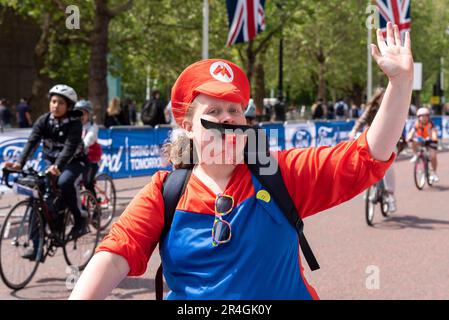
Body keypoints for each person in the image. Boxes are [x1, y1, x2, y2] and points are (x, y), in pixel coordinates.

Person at [70, 23, 413, 300]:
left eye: (235, 110)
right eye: (215, 111)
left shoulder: (280, 173)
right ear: (188, 127)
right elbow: (114, 255)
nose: (228, 118)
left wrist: (400, 84)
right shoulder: (165, 192)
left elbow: (366, 155)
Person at [5, 84, 89, 259]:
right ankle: (37, 246)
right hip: (51, 164)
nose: (55, 106)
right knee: (37, 199)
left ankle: (80, 219)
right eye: (53, 101)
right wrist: (19, 163)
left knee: (65, 182)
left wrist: (58, 166)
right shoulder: (44, 120)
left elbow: (69, 148)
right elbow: (32, 142)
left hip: (74, 163)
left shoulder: (74, 123)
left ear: (69, 107)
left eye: (60, 103)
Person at [348, 87, 397, 212]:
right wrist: (353, 131)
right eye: (382, 96)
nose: (384, 99)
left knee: (388, 166)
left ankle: (390, 195)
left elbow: (398, 125)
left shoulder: (392, 108)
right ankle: (368, 187)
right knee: (364, 162)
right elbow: (361, 120)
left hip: (388, 140)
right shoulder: (371, 109)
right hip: (373, 140)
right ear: (377, 98)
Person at [74, 99, 102, 198]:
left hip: (92, 159)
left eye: (83, 114)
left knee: (87, 182)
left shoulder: (92, 127)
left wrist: (79, 147)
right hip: (78, 158)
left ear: (88, 115)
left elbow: (88, 140)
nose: (80, 116)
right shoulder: (73, 126)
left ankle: (95, 206)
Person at [406, 107, 439, 182]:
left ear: (428, 116)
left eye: (426, 116)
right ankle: (415, 155)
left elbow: (434, 132)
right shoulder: (416, 124)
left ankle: (434, 173)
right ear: (418, 117)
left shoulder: (430, 124)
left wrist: (434, 138)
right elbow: (411, 132)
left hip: (430, 140)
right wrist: (408, 138)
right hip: (421, 140)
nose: (424, 118)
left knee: (433, 156)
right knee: (414, 141)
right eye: (422, 116)